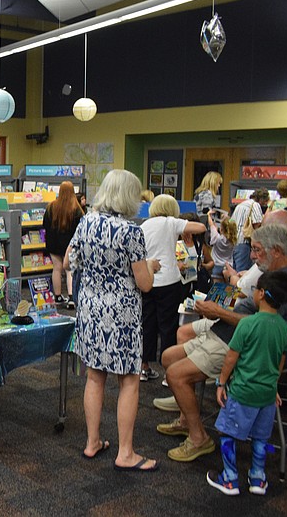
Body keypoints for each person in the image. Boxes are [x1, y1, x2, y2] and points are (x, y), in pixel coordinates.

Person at [155, 223, 287, 463]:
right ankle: (187, 420)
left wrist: (221, 312)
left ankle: (198, 438)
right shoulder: (277, 276)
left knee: (175, 374)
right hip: (228, 332)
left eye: (257, 250)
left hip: (238, 341)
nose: (253, 256)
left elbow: (263, 327)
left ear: (276, 251)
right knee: (168, 357)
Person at [64, 169, 161, 470]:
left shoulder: (86, 223)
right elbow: (144, 284)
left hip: (90, 310)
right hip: (122, 315)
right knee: (129, 380)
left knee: (94, 376)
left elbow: (69, 262)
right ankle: (126, 453)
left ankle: (93, 442)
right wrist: (152, 266)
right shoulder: (132, 232)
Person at [206, 270, 287, 496]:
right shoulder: (284, 328)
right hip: (266, 395)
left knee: (227, 433)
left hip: (243, 391)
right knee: (261, 437)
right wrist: (273, 387)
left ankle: (230, 478)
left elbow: (231, 357)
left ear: (261, 294)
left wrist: (221, 383)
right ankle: (257, 477)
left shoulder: (247, 324)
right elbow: (280, 361)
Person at [140, 195, 206, 381]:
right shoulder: (171, 222)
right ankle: (168, 373)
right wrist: (185, 231)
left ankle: (144, 367)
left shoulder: (145, 225)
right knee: (168, 326)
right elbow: (200, 227)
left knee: (147, 324)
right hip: (169, 283)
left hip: (148, 279)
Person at [42, 181, 84, 306]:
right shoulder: (76, 209)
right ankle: (71, 297)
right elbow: (80, 228)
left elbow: (45, 224)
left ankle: (58, 296)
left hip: (53, 242)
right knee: (69, 269)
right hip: (69, 244)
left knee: (57, 268)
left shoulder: (51, 206)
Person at [230, 188, 269, 272]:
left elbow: (231, 222)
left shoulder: (240, 205)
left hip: (235, 243)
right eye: (265, 201)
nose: (265, 204)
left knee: (235, 272)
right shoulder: (255, 205)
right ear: (261, 199)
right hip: (245, 243)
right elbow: (257, 225)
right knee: (242, 273)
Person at [207, 210, 237, 281]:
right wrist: (226, 218)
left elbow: (211, 225)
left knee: (216, 290)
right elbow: (230, 223)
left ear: (221, 229)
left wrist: (209, 215)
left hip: (216, 266)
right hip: (228, 268)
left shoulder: (216, 238)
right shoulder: (233, 241)